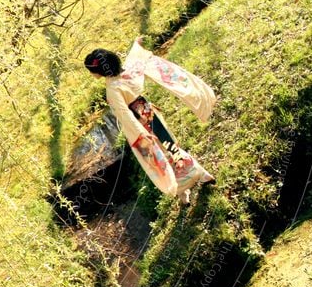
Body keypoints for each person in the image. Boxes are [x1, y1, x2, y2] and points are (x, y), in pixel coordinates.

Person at [84, 37, 216, 204]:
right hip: (147, 111)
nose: (92, 74)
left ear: (99, 72)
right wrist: (137, 44)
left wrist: (141, 133)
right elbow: (137, 59)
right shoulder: (126, 72)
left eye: (92, 71)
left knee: (159, 157)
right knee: (169, 144)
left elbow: (124, 113)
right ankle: (191, 186)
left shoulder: (112, 88)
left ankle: (193, 179)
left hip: (139, 123)